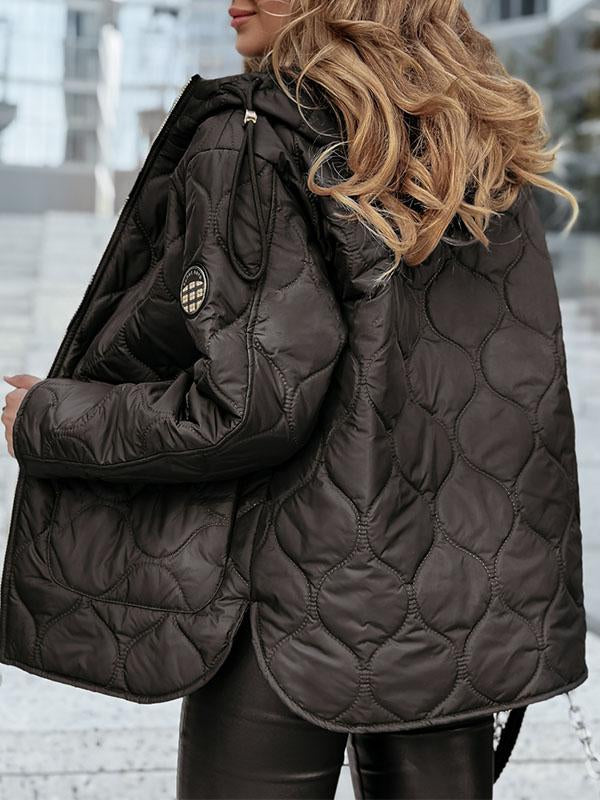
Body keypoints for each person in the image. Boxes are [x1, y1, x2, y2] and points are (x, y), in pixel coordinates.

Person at [1, 2, 587, 799]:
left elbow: (245, 407)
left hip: (292, 600)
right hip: (455, 598)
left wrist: (52, 420)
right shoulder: (476, 133)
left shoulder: (259, 134)